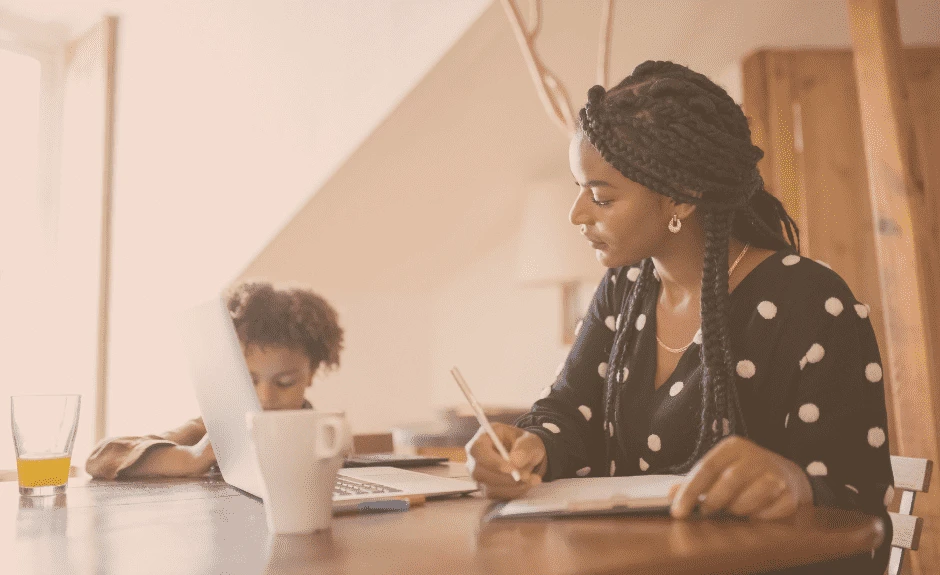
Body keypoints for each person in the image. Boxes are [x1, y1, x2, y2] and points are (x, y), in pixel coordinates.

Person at [466, 61, 893, 573]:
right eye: (580, 189)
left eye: (601, 195)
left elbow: (858, 504)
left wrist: (794, 483)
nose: (578, 214)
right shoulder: (624, 290)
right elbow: (570, 414)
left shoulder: (813, 304)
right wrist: (529, 446)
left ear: (679, 199)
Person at [85, 281, 344, 479]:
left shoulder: (323, 433)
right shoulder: (212, 428)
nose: (265, 398)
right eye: (247, 380)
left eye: (285, 382)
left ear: (310, 374)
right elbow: (102, 456)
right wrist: (192, 456)